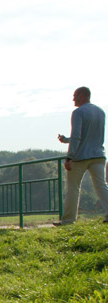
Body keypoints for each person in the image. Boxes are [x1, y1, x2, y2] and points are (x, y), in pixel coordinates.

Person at [56, 86, 108, 225]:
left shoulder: (78, 112)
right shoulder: (101, 112)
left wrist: (69, 157)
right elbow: (88, 136)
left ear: (83, 95)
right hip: (98, 155)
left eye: (75, 95)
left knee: (73, 188)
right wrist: (67, 139)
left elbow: (78, 137)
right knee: (101, 186)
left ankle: (68, 220)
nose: (73, 99)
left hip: (81, 157)